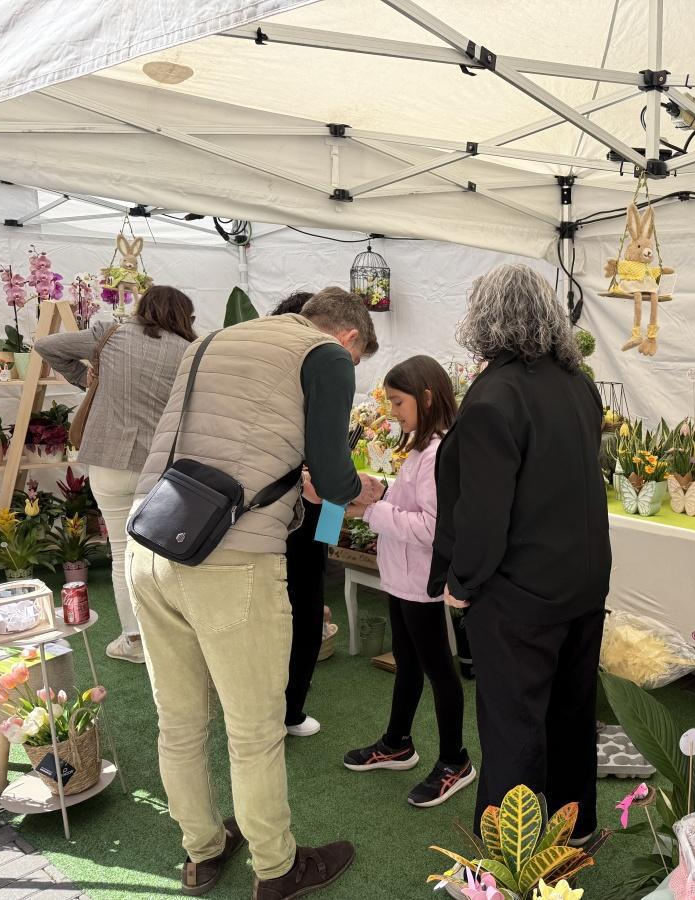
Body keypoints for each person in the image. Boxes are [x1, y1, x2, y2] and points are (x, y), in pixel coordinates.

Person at [127, 287, 385, 899]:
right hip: (232, 556)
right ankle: (277, 868)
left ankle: (202, 852)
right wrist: (360, 489)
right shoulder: (325, 355)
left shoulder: (212, 339)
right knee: (254, 730)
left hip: (152, 538)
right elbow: (331, 476)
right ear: (349, 338)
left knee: (180, 723)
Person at [430, 264, 610, 840]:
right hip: (582, 582)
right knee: (572, 710)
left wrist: (461, 580)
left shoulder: (493, 395)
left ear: (484, 321)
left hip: (520, 593)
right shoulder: (577, 383)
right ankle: (574, 824)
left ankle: (515, 849)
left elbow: (484, 512)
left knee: (513, 723)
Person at [36, 285, 196, 664]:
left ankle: (134, 640)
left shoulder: (109, 334)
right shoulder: (190, 351)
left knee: (124, 552)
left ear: (144, 308)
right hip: (161, 464)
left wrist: (86, 380)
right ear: (183, 316)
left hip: (108, 459)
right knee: (166, 553)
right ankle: (175, 635)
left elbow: (47, 346)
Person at [344, 355, 474, 807]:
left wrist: (373, 511)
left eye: (398, 402)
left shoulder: (437, 452)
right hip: (401, 578)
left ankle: (455, 760)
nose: (393, 411)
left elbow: (433, 528)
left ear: (426, 398)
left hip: (419, 582)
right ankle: (397, 741)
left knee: (439, 669)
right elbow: (413, 509)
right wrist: (379, 494)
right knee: (408, 660)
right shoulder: (422, 449)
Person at [268, 290, 329, 738]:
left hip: (273, 519)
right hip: (294, 512)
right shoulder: (314, 377)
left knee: (297, 603)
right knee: (303, 608)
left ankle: (279, 709)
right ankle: (288, 711)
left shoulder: (262, 375)